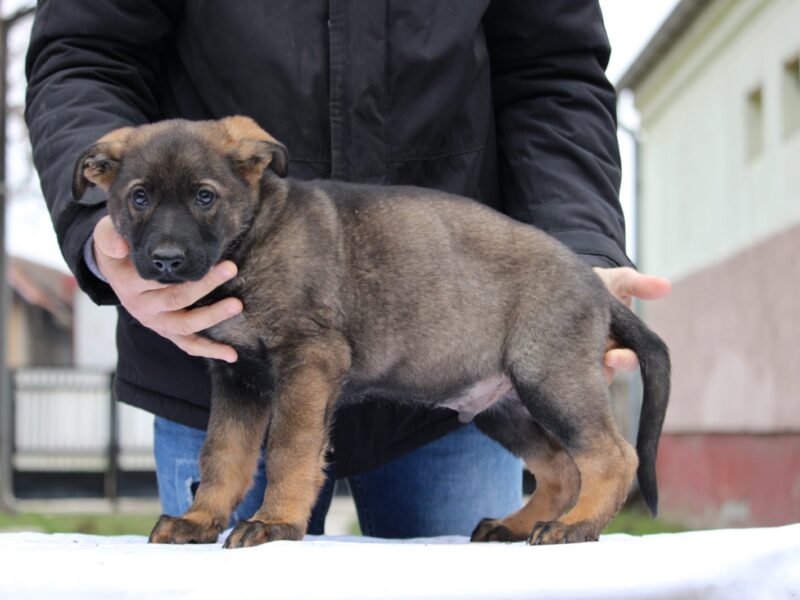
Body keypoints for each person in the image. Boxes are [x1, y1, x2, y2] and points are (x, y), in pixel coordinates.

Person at [25, 1, 670, 538]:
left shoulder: (260, 190)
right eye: (140, 201)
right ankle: (215, 502)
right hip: (183, 362)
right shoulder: (202, 203)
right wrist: (95, 233)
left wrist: (580, 247)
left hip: (459, 330)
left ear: (257, 165)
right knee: (234, 369)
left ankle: (591, 478)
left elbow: (552, 70)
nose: (166, 242)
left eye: (200, 200)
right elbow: (83, 51)